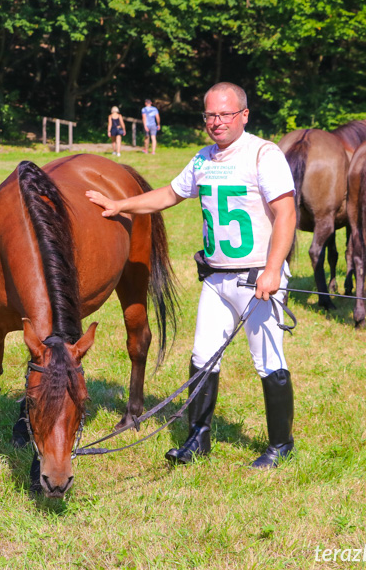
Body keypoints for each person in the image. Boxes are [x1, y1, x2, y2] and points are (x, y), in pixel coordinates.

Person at [86, 82, 297, 469]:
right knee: (202, 357)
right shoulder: (203, 159)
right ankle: (198, 439)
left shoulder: (264, 155)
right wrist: (120, 204)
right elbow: (169, 194)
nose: (216, 122)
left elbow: (286, 213)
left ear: (244, 115)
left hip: (257, 281)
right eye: (210, 115)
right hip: (216, 279)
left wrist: (271, 271)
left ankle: (280, 445)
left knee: (267, 360)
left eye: (225, 114)